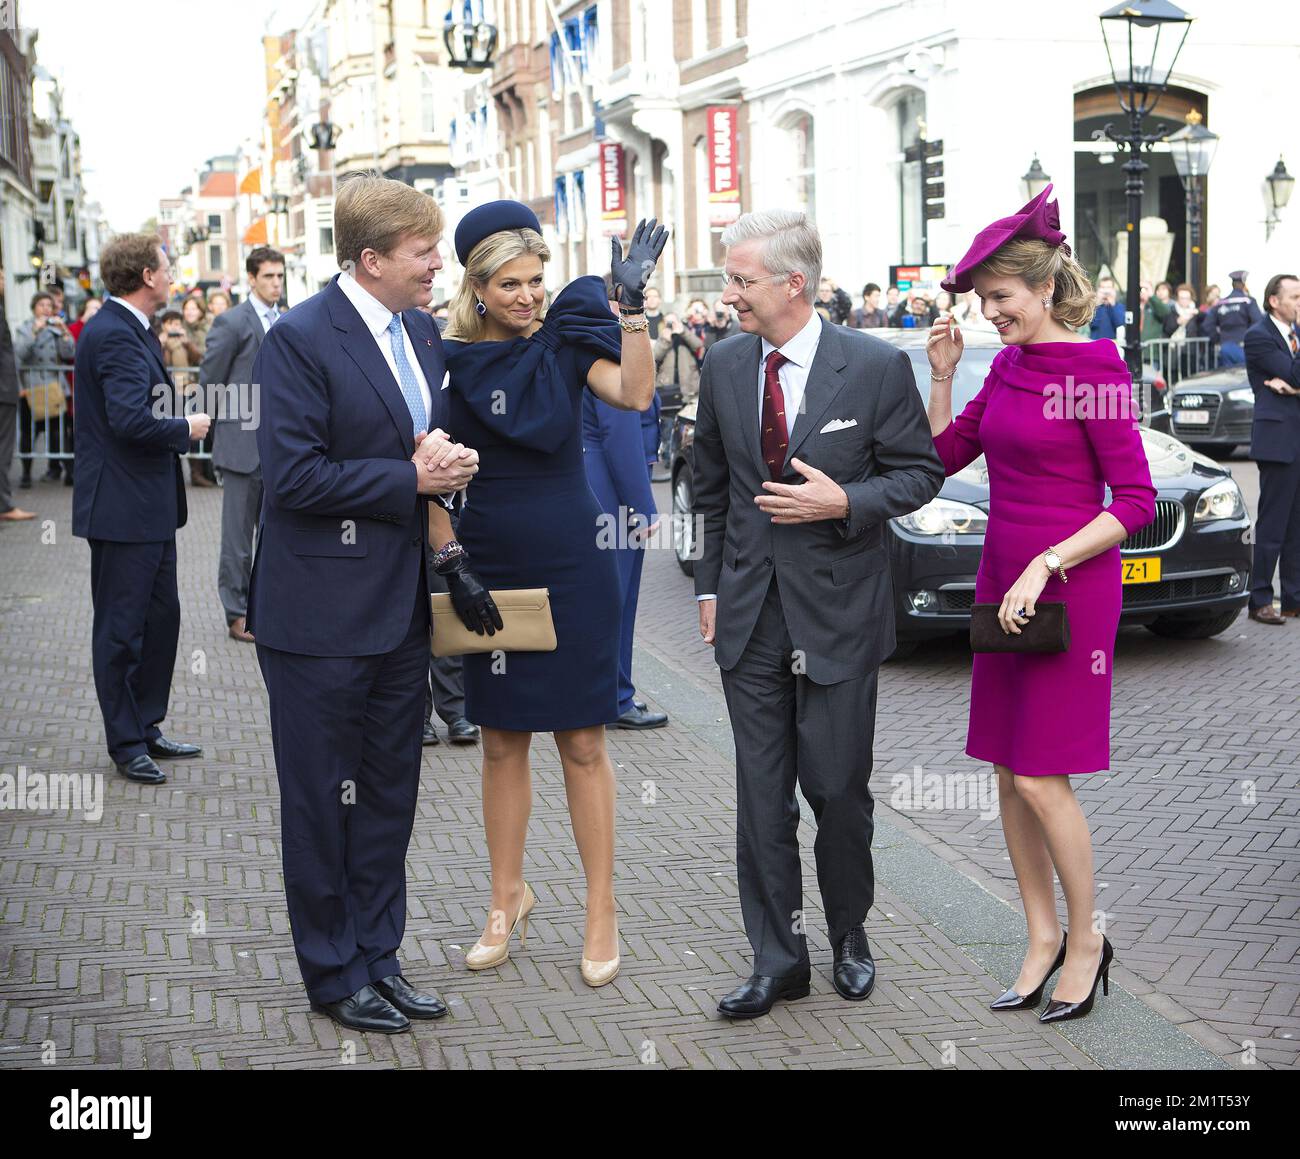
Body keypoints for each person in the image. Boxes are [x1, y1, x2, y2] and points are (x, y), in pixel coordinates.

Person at [247, 174, 488, 1035]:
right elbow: (296, 475)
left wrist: (444, 469)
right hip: (316, 618)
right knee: (322, 799)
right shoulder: (301, 338)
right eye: (425, 253)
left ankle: (380, 957)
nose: (437, 266)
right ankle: (332, 970)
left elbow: (416, 440)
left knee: (389, 794)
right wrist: (413, 477)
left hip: (399, 609)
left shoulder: (419, 331)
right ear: (373, 258)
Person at [693, 209, 944, 1019]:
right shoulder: (725, 364)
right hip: (749, 618)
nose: (728, 294)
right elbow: (707, 488)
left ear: (792, 285)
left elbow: (918, 474)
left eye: (740, 280)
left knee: (837, 791)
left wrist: (847, 500)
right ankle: (779, 959)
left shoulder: (871, 367)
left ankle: (849, 936)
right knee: (760, 798)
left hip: (837, 616)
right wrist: (707, 587)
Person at [929, 185, 1156, 1023]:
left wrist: (1047, 562)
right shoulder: (1013, 365)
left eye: (1001, 298)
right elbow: (946, 453)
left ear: (1045, 287)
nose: (990, 313)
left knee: (1041, 773)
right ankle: (1038, 935)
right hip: (1004, 580)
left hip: (1066, 587)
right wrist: (945, 378)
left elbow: (1134, 500)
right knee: (1004, 768)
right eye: (984, 300)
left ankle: (1088, 943)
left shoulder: (1095, 368)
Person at [440, 203, 666, 988]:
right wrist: (450, 562)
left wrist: (631, 311)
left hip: (574, 558)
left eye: (537, 279)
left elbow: (636, 396)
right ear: (479, 286)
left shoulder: (570, 341)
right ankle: (507, 897)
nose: (530, 295)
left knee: (583, 740)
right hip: (491, 560)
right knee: (501, 739)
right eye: (511, 283)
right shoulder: (453, 361)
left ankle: (601, 907)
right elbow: (431, 472)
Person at [72, 233, 212, 784]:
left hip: (146, 507)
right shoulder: (113, 335)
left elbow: (135, 407)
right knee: (122, 629)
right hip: (122, 508)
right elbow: (129, 420)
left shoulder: (132, 329)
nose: (173, 272)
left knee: (161, 622)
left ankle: (147, 724)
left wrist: (178, 411)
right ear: (148, 276)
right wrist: (187, 427)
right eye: (166, 265)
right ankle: (126, 742)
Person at [584, 282, 668, 731]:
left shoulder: (593, 345)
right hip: (611, 492)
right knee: (617, 599)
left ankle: (607, 693)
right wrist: (643, 507)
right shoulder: (612, 349)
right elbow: (621, 437)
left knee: (605, 597)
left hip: (593, 482)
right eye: (632, 303)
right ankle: (615, 697)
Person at [201, 245, 285, 643]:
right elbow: (211, 383)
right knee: (237, 540)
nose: (276, 283)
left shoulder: (286, 320)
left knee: (275, 536)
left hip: (279, 448)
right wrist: (212, 430)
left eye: (280, 276)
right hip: (240, 447)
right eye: (269, 276)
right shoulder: (231, 322)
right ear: (251, 279)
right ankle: (236, 613)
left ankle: (267, 607)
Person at [1243, 274, 1300, 625]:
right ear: (1274, 301)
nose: (1299, 302)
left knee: (1296, 526)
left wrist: (1293, 387)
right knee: (1273, 525)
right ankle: (1260, 598)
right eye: (1295, 296)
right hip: (1277, 443)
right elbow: (1293, 375)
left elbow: (1292, 379)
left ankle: (1293, 598)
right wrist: (1293, 385)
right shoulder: (1259, 336)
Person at [14, 290, 76, 487]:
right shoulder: (24, 329)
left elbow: (69, 353)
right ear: (34, 308)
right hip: (31, 389)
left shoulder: (56, 330)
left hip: (53, 387)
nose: (46, 309)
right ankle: (25, 473)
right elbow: (20, 353)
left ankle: (69, 473)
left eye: (49, 306)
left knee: (59, 432)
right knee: (28, 433)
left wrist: (64, 331)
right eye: (42, 305)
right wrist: (35, 331)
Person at [0, 269, 35, 521]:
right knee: (4, 450)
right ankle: (4, 505)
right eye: (0, 277)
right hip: (3, 391)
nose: (4, 282)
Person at [1202, 270, 1263, 367]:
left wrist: (1217, 339)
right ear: (1243, 283)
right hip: (1244, 346)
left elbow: (1207, 324)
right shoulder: (1248, 301)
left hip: (1225, 346)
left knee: (1228, 378)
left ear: (1232, 284)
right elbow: (1258, 322)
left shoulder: (1221, 303)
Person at [653, 310, 703, 401]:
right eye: (668, 322)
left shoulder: (685, 333)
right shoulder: (663, 336)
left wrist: (683, 332)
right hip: (667, 385)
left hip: (689, 385)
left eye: (673, 321)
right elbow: (656, 355)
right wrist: (665, 340)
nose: (671, 325)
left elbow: (698, 345)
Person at [1089, 276, 1125, 341]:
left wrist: (1113, 304)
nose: (1106, 291)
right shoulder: (1094, 307)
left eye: (1108, 287)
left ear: (1113, 290)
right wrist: (1098, 302)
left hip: (1112, 343)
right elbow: (1092, 324)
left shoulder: (1119, 306)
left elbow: (1120, 324)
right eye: (1103, 287)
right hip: (1095, 343)